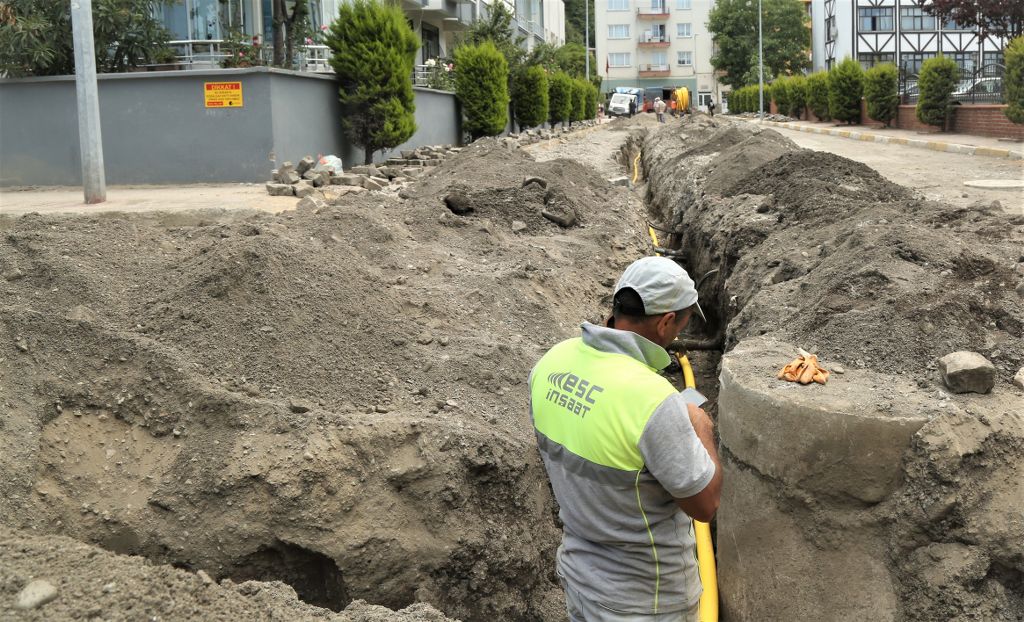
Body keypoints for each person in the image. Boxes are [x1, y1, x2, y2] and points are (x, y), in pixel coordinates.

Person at [529, 256, 722, 622]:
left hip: (579, 577)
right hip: (645, 601)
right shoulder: (653, 401)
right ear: (667, 323)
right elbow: (704, 506)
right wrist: (701, 428)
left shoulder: (552, 362)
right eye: (682, 323)